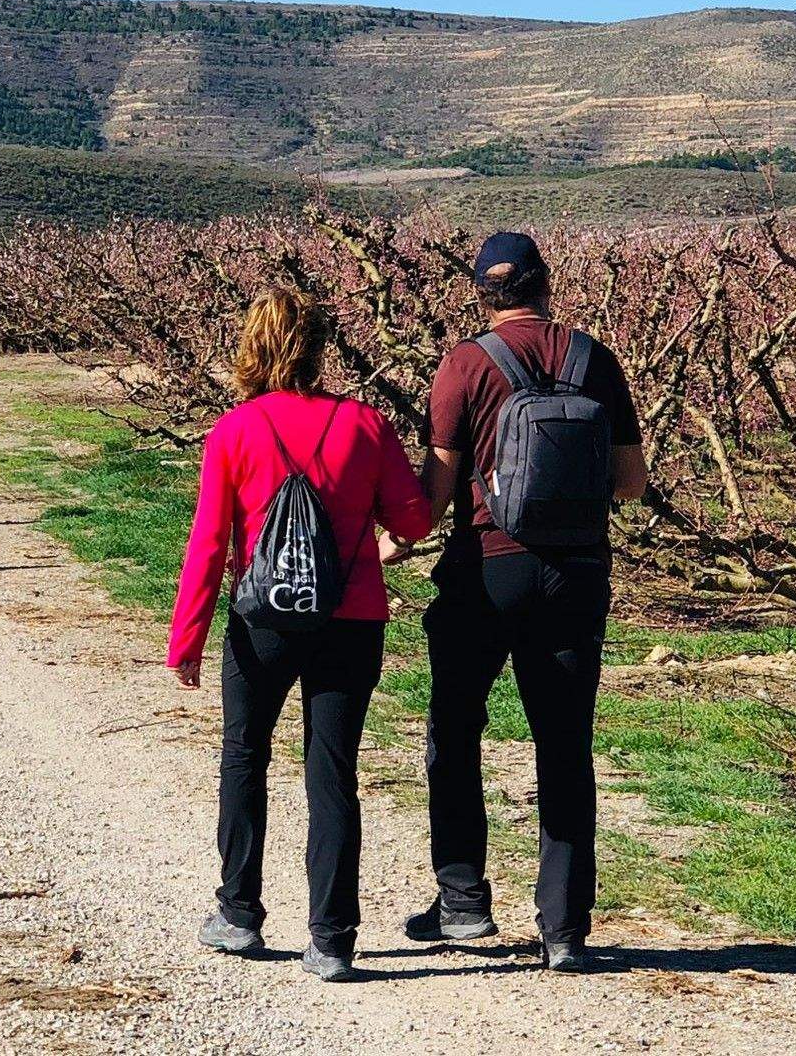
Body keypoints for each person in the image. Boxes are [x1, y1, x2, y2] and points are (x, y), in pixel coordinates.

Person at [381, 233, 648, 975]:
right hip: (575, 574)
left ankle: (463, 900)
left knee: (456, 726)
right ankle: (564, 929)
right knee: (565, 745)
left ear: (481, 292)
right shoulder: (595, 359)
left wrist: (390, 539)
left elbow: (433, 499)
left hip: (486, 570)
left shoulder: (465, 365)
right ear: (546, 284)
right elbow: (631, 482)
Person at [167, 289, 432, 983]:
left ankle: (239, 913)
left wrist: (187, 639)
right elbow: (413, 521)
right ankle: (333, 940)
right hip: (350, 621)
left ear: (252, 348)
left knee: (245, 756)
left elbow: (208, 544)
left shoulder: (235, 430)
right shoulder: (367, 424)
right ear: (320, 349)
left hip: (262, 623)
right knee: (332, 772)